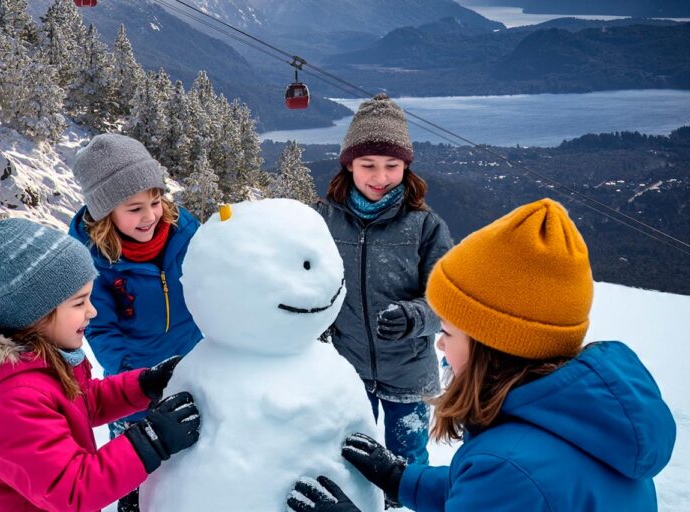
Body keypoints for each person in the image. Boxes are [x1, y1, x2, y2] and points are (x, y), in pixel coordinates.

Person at [288, 198, 676, 512]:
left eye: (448, 332)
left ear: (492, 346)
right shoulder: (589, 423)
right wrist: (402, 479)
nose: (440, 344)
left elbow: (503, 481)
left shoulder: (510, 467)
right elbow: (488, 493)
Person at [0, 218, 201, 512]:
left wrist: (144, 384)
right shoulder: (10, 402)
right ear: (35, 314)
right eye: (79, 303)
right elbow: (73, 489)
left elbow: (81, 402)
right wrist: (150, 441)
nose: (92, 311)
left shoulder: (35, 361)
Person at [314, 93, 453, 475]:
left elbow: (447, 300)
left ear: (406, 166)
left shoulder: (425, 227)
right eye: (368, 165)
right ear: (349, 166)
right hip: (348, 368)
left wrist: (415, 317)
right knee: (351, 459)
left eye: (391, 165)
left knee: (407, 468)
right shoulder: (324, 220)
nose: (380, 177)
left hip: (408, 374)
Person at [69, 133, 203, 510]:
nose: (150, 216)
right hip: (136, 380)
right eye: (134, 208)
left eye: (155, 201)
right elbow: (101, 327)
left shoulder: (185, 230)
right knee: (138, 469)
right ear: (105, 212)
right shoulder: (92, 258)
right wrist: (135, 380)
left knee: (196, 459)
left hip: (195, 362)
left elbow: (217, 280)